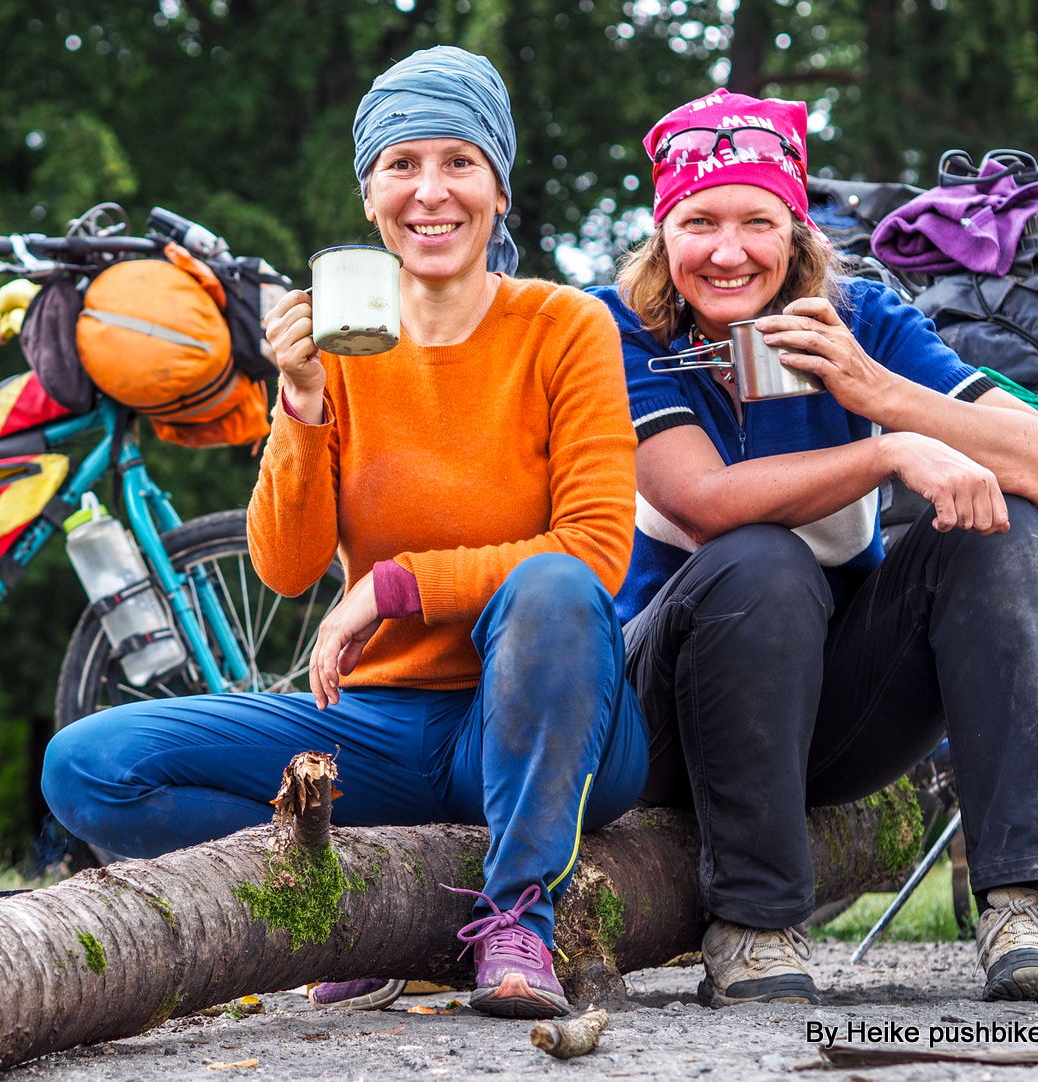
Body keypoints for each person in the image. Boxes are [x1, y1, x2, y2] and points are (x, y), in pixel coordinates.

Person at [42, 46, 647, 1020]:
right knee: (89, 766)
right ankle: (362, 910)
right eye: (400, 166)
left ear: (498, 183)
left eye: (458, 161)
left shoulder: (564, 326)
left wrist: (393, 584)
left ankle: (517, 911)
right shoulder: (343, 345)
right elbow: (282, 567)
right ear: (368, 198)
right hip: (386, 731)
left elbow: (593, 550)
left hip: (557, 713)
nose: (430, 191)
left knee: (551, 587)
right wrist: (300, 399)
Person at [592, 88, 1038, 1007]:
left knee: (1002, 520)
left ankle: (1021, 900)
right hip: (656, 717)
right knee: (761, 557)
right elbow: (702, 505)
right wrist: (889, 452)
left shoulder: (860, 317)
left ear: (798, 233)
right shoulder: (614, 327)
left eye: (757, 221)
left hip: (831, 717)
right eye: (698, 222)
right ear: (663, 236)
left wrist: (878, 390)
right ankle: (752, 921)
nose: (729, 250)